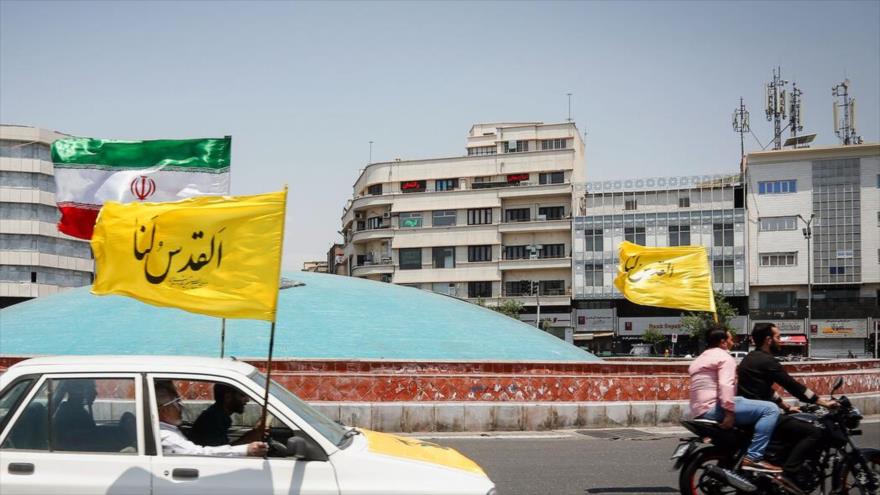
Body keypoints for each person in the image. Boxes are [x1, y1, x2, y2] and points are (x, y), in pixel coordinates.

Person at [738, 323, 838, 484]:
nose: (781, 341)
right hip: (762, 415)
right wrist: (822, 402)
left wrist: (786, 407)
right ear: (768, 340)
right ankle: (789, 475)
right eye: (778, 337)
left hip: (752, 413)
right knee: (814, 432)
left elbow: (763, 389)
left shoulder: (750, 358)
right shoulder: (767, 361)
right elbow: (792, 385)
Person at [689, 325, 782, 472]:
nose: (734, 342)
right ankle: (754, 457)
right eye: (731, 339)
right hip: (716, 408)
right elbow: (726, 385)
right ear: (723, 342)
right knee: (770, 410)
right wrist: (729, 413)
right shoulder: (725, 358)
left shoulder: (700, 359)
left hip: (699, 410)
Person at [155, 380, 267, 457]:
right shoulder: (212, 420)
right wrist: (248, 445)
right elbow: (212, 455)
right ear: (164, 410)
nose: (181, 407)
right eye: (177, 403)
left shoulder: (220, 416)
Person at [190, 383, 263, 447]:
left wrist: (254, 433)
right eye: (242, 395)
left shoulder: (219, 416)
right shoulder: (212, 420)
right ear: (228, 397)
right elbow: (221, 454)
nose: (247, 400)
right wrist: (250, 438)